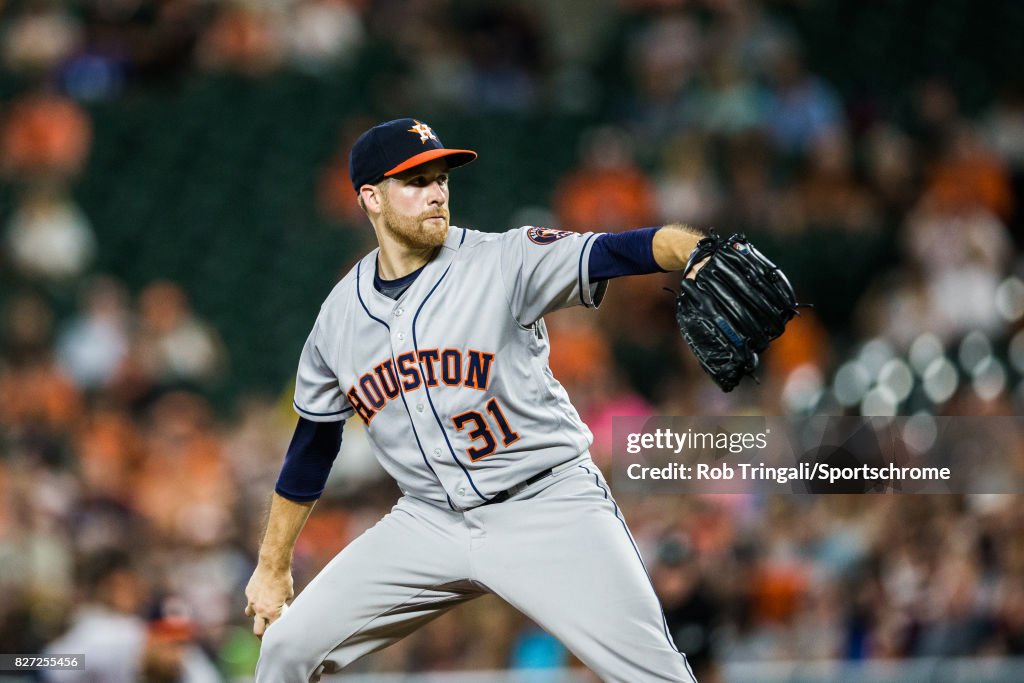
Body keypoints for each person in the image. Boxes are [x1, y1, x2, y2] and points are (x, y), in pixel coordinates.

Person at [244, 118, 709, 682]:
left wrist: (696, 250)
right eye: (415, 182)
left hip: (549, 502)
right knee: (287, 650)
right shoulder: (337, 318)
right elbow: (312, 448)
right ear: (371, 197)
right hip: (427, 520)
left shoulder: (505, 260)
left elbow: (624, 249)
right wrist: (272, 568)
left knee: (656, 676)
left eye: (441, 178)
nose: (437, 192)